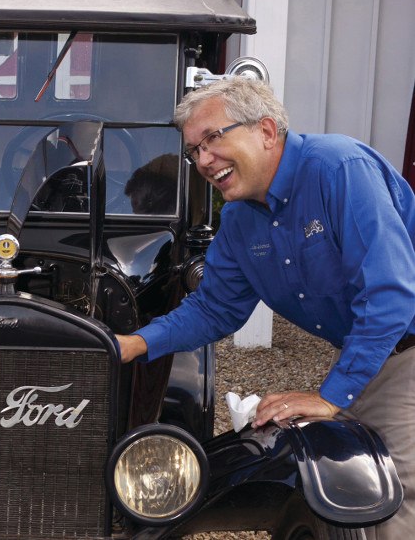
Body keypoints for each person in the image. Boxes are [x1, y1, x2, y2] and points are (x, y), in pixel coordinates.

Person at [115, 77, 415, 536]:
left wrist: (329, 396)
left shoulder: (340, 168)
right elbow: (214, 309)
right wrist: (134, 344)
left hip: (406, 345)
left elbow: (389, 294)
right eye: (194, 151)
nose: (203, 161)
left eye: (213, 139)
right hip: (375, 349)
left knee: (391, 497)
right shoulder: (238, 220)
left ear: (267, 131)